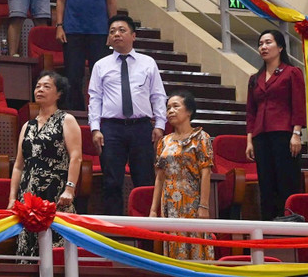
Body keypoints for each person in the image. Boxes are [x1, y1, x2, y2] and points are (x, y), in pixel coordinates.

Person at [88, 14, 167, 216]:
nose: (116, 34)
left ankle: (148, 228)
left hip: (141, 127)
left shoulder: (148, 63)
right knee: (112, 180)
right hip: (111, 128)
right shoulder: (101, 65)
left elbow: (158, 95)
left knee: (144, 179)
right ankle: (115, 228)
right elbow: (95, 98)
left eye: (122, 30)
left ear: (133, 35)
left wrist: (159, 125)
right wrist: (95, 128)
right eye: (112, 31)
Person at [7, 71, 81, 258]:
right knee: (27, 249)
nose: (40, 89)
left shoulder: (66, 120)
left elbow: (76, 157)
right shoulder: (27, 126)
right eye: (38, 86)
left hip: (55, 195)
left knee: (56, 252)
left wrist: (70, 189)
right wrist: (12, 199)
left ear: (59, 94)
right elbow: (18, 165)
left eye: (47, 86)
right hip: (28, 197)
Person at [245, 29, 306, 220]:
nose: (263, 47)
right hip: (261, 136)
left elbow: (298, 105)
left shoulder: (291, 73)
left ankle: (288, 221)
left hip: (284, 134)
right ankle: (268, 224)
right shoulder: (255, 78)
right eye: (261, 43)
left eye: (268, 42)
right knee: (266, 183)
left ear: (280, 47)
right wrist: (249, 140)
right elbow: (250, 112)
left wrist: (296, 133)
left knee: (286, 181)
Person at [55, 0, 118, 110]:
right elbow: (61, 0)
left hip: (99, 31)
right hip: (73, 30)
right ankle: (76, 112)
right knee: (73, 76)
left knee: (101, 76)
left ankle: (101, 111)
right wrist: (59, 26)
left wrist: (112, 30)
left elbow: (111, 1)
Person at [149, 90, 214, 261]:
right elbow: (160, 178)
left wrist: (204, 206)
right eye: (168, 107)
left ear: (189, 111)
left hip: (192, 201)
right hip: (169, 202)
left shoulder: (201, 137)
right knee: (173, 248)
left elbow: (206, 172)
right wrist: (153, 211)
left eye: (176, 106)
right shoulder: (164, 141)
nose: (170, 111)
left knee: (195, 245)